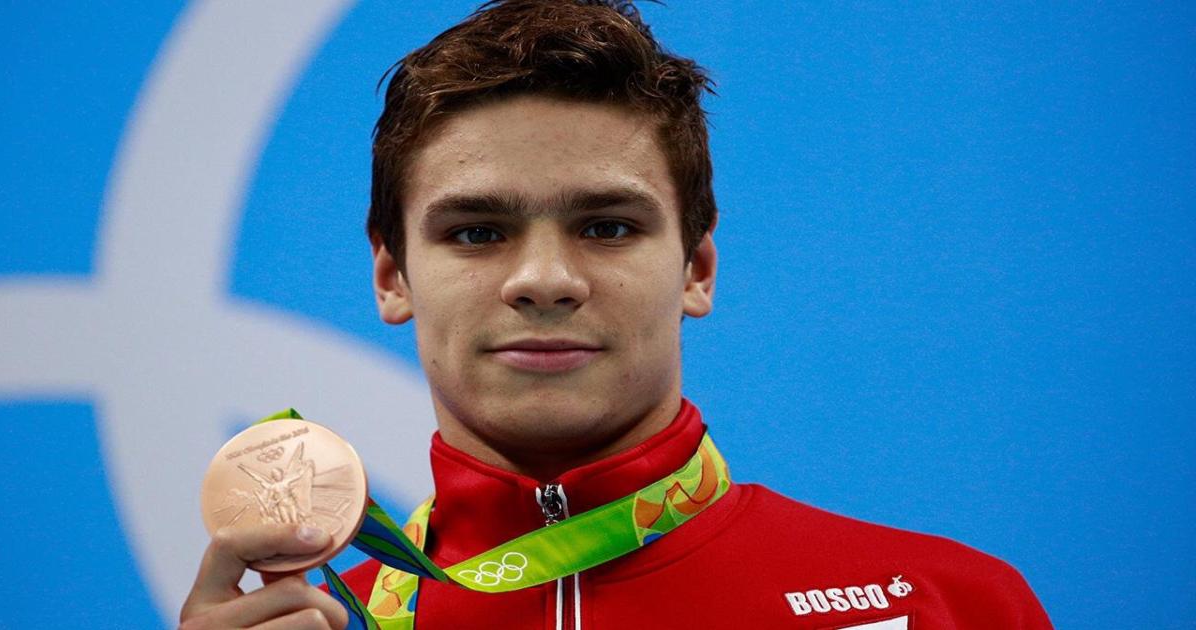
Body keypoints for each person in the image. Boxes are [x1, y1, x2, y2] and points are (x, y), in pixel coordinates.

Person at [180, 1, 1053, 628]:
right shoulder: (325, 622)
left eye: (607, 226)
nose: (545, 280)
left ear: (696, 269)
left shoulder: (945, 604)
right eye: (477, 232)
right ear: (392, 277)